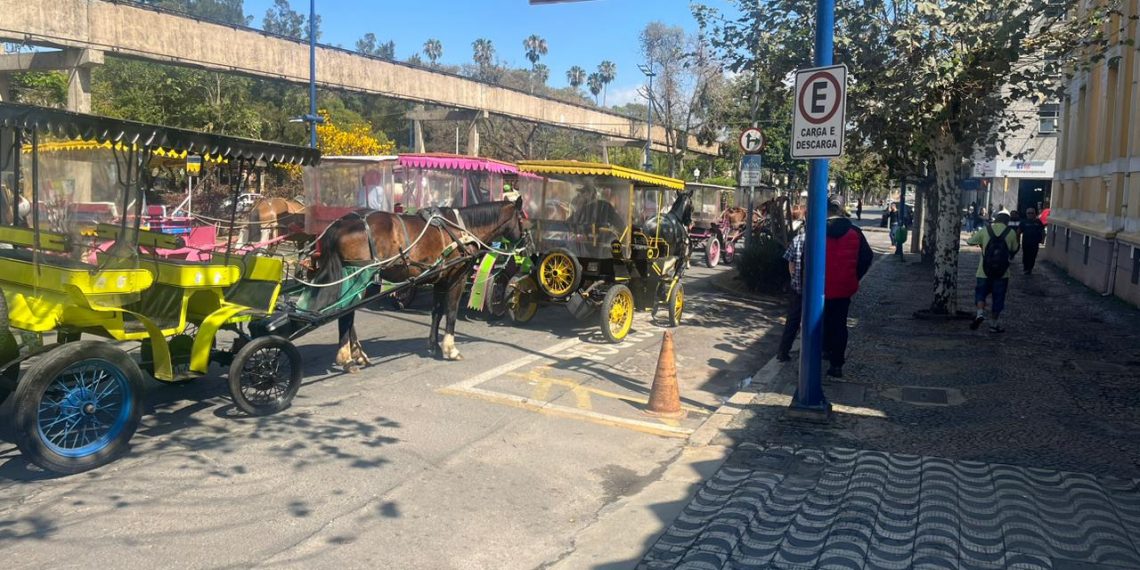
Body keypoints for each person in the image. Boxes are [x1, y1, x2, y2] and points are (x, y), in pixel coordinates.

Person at [822, 199, 874, 378]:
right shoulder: (855, 232)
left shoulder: (817, 230)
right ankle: (836, 364)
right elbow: (867, 258)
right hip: (844, 287)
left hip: (820, 287)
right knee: (839, 324)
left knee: (819, 322)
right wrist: (854, 276)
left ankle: (823, 351)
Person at [967, 210, 1020, 333]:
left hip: (983, 271)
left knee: (980, 293)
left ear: (996, 219)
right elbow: (1014, 248)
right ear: (1007, 221)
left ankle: (980, 313)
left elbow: (970, 241)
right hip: (1003, 273)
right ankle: (994, 325)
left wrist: (981, 243)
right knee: (998, 298)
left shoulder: (986, 230)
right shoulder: (1010, 232)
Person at [776, 229, 806, 362]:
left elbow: (790, 262)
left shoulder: (798, 239)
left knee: (792, 320)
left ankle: (783, 351)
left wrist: (794, 277)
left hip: (798, 288)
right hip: (819, 291)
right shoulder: (825, 238)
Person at [1020, 207, 1045, 274]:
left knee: (1033, 256)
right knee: (1025, 255)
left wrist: (1043, 239)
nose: (1030, 214)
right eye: (1028, 213)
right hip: (1026, 242)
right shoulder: (1023, 222)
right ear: (1026, 214)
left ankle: (1030, 268)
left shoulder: (1038, 222)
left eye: (1032, 213)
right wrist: (1017, 239)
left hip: (1035, 243)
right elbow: (1019, 231)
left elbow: (1042, 231)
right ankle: (1026, 267)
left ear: (1034, 214)